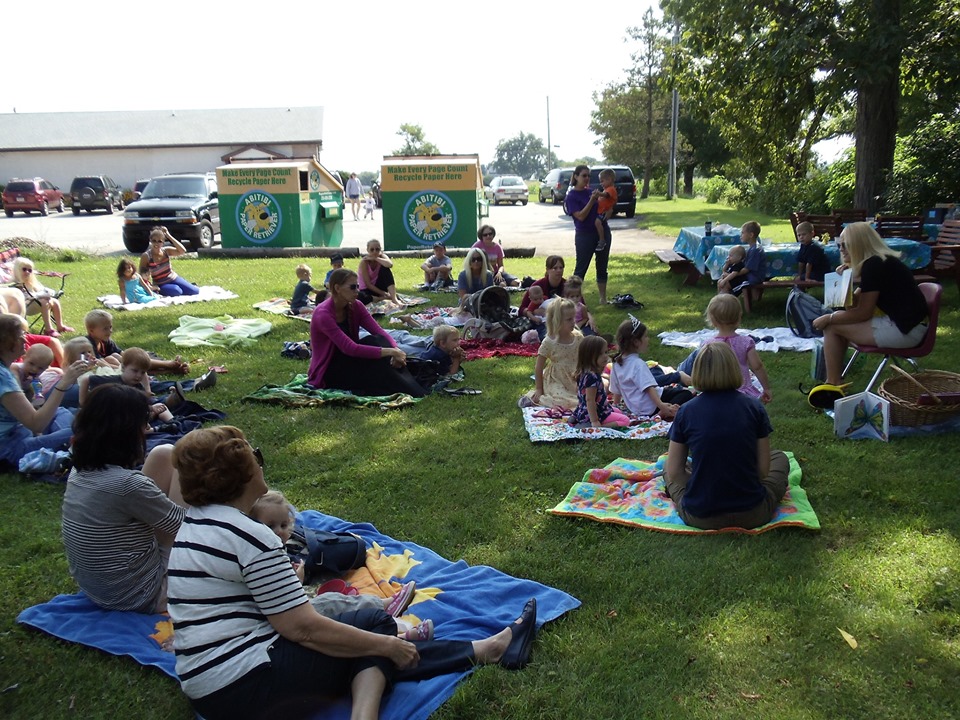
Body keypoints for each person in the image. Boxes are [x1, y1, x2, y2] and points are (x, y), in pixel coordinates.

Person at [167, 426, 538, 720]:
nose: (262, 465)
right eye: (256, 457)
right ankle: (370, 711)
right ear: (244, 474)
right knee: (374, 626)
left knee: (359, 634)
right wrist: (387, 644)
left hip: (208, 689)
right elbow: (303, 628)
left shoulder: (194, 525)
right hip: (248, 684)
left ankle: (486, 649)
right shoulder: (250, 535)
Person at [61, 383, 185, 611]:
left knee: (164, 453)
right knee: (186, 465)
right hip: (144, 595)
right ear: (127, 433)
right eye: (144, 424)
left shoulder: (80, 472)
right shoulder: (127, 485)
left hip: (102, 590)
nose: (148, 429)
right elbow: (190, 528)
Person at [249, 491, 432, 642]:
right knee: (332, 603)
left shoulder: (279, 550)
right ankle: (389, 615)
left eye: (283, 525)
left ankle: (396, 628)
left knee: (336, 604)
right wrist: (298, 580)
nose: (279, 531)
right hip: (287, 622)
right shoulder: (259, 557)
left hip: (290, 615)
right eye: (271, 526)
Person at [664, 342, 789, 530]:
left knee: (669, 467)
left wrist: (705, 487)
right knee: (779, 458)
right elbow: (763, 472)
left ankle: (703, 485)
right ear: (734, 369)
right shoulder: (754, 407)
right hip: (752, 512)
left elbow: (675, 472)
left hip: (701, 515)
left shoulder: (686, 412)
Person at [811, 222, 928, 386]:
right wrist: (846, 282)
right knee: (836, 324)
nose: (841, 249)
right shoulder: (878, 262)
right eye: (839, 244)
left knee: (831, 327)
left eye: (846, 245)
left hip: (906, 330)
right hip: (909, 326)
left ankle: (832, 384)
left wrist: (830, 317)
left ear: (859, 244)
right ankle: (834, 381)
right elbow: (853, 308)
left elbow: (862, 313)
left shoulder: (874, 265)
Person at [307, 268, 424, 397]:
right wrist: (391, 351)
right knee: (377, 352)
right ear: (337, 288)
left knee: (377, 341)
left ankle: (408, 387)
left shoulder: (356, 306)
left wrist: (396, 350)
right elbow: (350, 348)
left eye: (357, 286)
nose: (357, 291)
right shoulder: (323, 314)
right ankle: (411, 389)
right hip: (329, 370)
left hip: (350, 361)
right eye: (352, 287)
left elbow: (378, 331)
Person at [0, 315, 89, 467]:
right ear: (9, 342)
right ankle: (66, 444)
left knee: (60, 412)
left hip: (18, 432)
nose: (25, 339)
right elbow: (36, 424)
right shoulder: (4, 378)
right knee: (84, 431)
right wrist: (64, 383)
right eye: (21, 335)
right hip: (8, 447)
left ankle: (62, 442)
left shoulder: (5, 370)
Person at [609, 316, 693, 421]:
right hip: (652, 406)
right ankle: (664, 412)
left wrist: (616, 408)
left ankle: (668, 408)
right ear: (636, 342)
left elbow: (616, 391)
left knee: (670, 388)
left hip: (636, 408)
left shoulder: (616, 364)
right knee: (686, 394)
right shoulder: (638, 364)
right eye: (645, 336)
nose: (648, 339)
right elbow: (649, 388)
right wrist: (661, 405)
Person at [702, 294, 772, 403]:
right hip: (742, 391)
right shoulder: (745, 342)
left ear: (712, 319)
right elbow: (757, 366)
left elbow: (704, 370)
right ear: (739, 317)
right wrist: (766, 388)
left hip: (716, 392)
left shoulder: (708, 345)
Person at [79, 347, 174, 424]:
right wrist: (83, 402)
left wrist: (148, 395)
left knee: (159, 406)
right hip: (112, 417)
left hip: (131, 415)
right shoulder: (113, 380)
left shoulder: (138, 386)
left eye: (142, 372)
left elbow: (140, 405)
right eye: (135, 371)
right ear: (123, 367)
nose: (139, 375)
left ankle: (173, 422)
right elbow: (86, 379)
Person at [84, 309, 190, 375]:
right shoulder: (88, 344)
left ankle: (170, 366)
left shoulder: (106, 341)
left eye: (110, 327)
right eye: (105, 329)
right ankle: (170, 367)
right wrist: (124, 370)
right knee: (115, 359)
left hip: (114, 368)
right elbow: (98, 364)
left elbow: (126, 356)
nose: (110, 331)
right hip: (98, 372)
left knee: (122, 358)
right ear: (91, 331)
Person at [523, 299, 581, 410]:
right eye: (569, 319)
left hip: (575, 377)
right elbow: (538, 367)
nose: (573, 321)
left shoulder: (578, 337)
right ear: (557, 321)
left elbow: (585, 357)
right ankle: (532, 398)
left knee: (591, 393)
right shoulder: (549, 342)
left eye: (574, 318)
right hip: (557, 379)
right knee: (562, 400)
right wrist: (539, 389)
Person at [563, 165, 609, 305]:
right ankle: (572, 299)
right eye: (584, 175)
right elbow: (581, 216)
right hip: (584, 235)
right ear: (576, 176)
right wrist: (591, 200)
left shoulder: (592, 192)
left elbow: (607, 203)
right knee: (581, 268)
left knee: (602, 266)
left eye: (589, 175)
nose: (587, 178)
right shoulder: (571, 196)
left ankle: (603, 298)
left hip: (602, 232)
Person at [569, 335, 630, 428]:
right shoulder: (592, 377)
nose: (606, 356)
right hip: (594, 413)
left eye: (606, 352)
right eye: (601, 354)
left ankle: (579, 418)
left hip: (588, 409)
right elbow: (590, 400)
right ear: (589, 356)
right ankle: (598, 427)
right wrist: (595, 421)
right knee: (625, 420)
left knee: (618, 411)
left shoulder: (584, 372)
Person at [12, 256, 74, 337]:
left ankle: (60, 326)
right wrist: (41, 295)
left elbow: (44, 290)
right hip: (24, 307)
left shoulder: (31, 283)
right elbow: (27, 297)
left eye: (30, 270)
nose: (27, 272)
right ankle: (49, 329)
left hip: (34, 304)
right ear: (17, 270)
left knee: (55, 301)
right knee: (44, 302)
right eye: (24, 269)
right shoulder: (17, 285)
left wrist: (47, 294)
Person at [139, 226, 200, 298]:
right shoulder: (146, 256)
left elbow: (182, 250)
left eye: (159, 241)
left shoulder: (166, 251)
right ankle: (157, 290)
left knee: (195, 291)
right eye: (154, 241)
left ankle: (186, 285)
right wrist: (149, 286)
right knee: (177, 291)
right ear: (150, 241)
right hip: (161, 284)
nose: (156, 243)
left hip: (173, 278)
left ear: (163, 242)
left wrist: (168, 235)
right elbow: (141, 274)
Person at [519, 256, 567, 339]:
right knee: (549, 336)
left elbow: (580, 303)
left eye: (561, 267)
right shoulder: (537, 286)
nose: (559, 270)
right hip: (543, 323)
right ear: (547, 270)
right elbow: (522, 309)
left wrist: (589, 317)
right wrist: (533, 312)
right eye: (555, 268)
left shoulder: (567, 285)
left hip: (564, 320)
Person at [720, 221, 766, 297]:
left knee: (726, 284)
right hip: (748, 276)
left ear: (751, 235)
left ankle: (725, 303)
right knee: (723, 281)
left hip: (753, 278)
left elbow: (746, 269)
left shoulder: (755, 250)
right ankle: (721, 303)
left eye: (742, 233)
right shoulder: (752, 248)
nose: (740, 235)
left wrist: (732, 275)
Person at [10, 343, 62, 407]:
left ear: (45, 368)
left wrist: (36, 394)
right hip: (11, 393)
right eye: (31, 363)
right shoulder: (15, 368)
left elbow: (36, 391)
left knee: (33, 395)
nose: (34, 369)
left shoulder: (36, 379)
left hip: (23, 393)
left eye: (40, 368)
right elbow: (16, 387)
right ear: (24, 358)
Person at [358, 240, 400, 305]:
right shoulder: (364, 262)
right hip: (367, 290)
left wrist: (376, 259)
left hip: (379, 286)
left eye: (377, 249)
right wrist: (384, 293)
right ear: (367, 250)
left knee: (385, 268)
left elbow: (390, 264)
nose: (375, 252)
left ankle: (394, 298)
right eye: (372, 250)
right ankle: (381, 298)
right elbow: (368, 284)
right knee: (361, 297)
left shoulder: (382, 257)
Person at [594, 169, 616, 253]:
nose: (601, 184)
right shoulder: (607, 189)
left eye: (602, 181)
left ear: (609, 179)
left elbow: (606, 195)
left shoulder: (611, 189)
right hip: (601, 210)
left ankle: (602, 240)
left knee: (597, 222)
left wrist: (599, 193)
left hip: (604, 211)